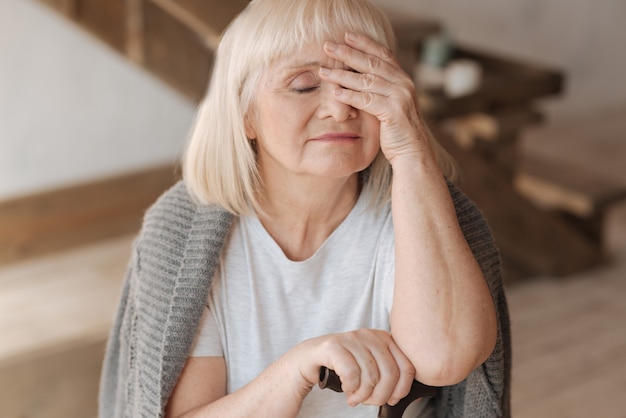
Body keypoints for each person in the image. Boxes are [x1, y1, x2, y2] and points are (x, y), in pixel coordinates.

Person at [98, 0, 511, 416]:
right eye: (304, 85)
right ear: (246, 116)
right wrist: (297, 369)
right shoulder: (184, 235)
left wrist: (411, 151)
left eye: (360, 81)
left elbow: (447, 358)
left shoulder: (421, 209)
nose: (340, 107)